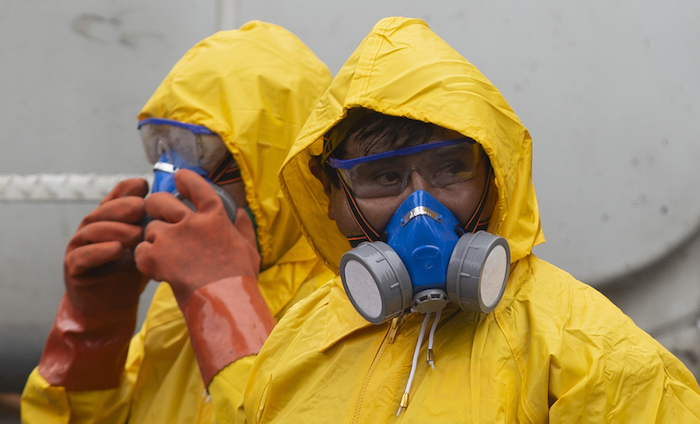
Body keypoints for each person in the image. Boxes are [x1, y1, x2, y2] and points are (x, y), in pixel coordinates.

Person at [226, 17, 700, 422]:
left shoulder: (592, 353)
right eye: (384, 177)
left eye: (451, 169)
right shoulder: (297, 340)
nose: (421, 208)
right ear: (332, 196)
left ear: (496, 177)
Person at [21, 21, 333, 423]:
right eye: (162, 148)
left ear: (275, 165)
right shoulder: (177, 300)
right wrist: (94, 331)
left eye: (198, 151)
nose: (169, 181)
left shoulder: (347, 306)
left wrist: (223, 303)